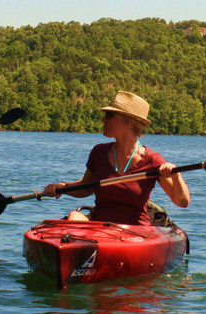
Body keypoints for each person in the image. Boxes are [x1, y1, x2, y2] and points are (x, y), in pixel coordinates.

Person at [42, 90, 190, 225]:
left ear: (129, 121)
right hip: (99, 227)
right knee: (74, 216)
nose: (103, 120)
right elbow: (86, 187)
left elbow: (182, 202)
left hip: (135, 232)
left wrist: (175, 175)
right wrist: (62, 187)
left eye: (109, 115)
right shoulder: (99, 152)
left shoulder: (152, 160)